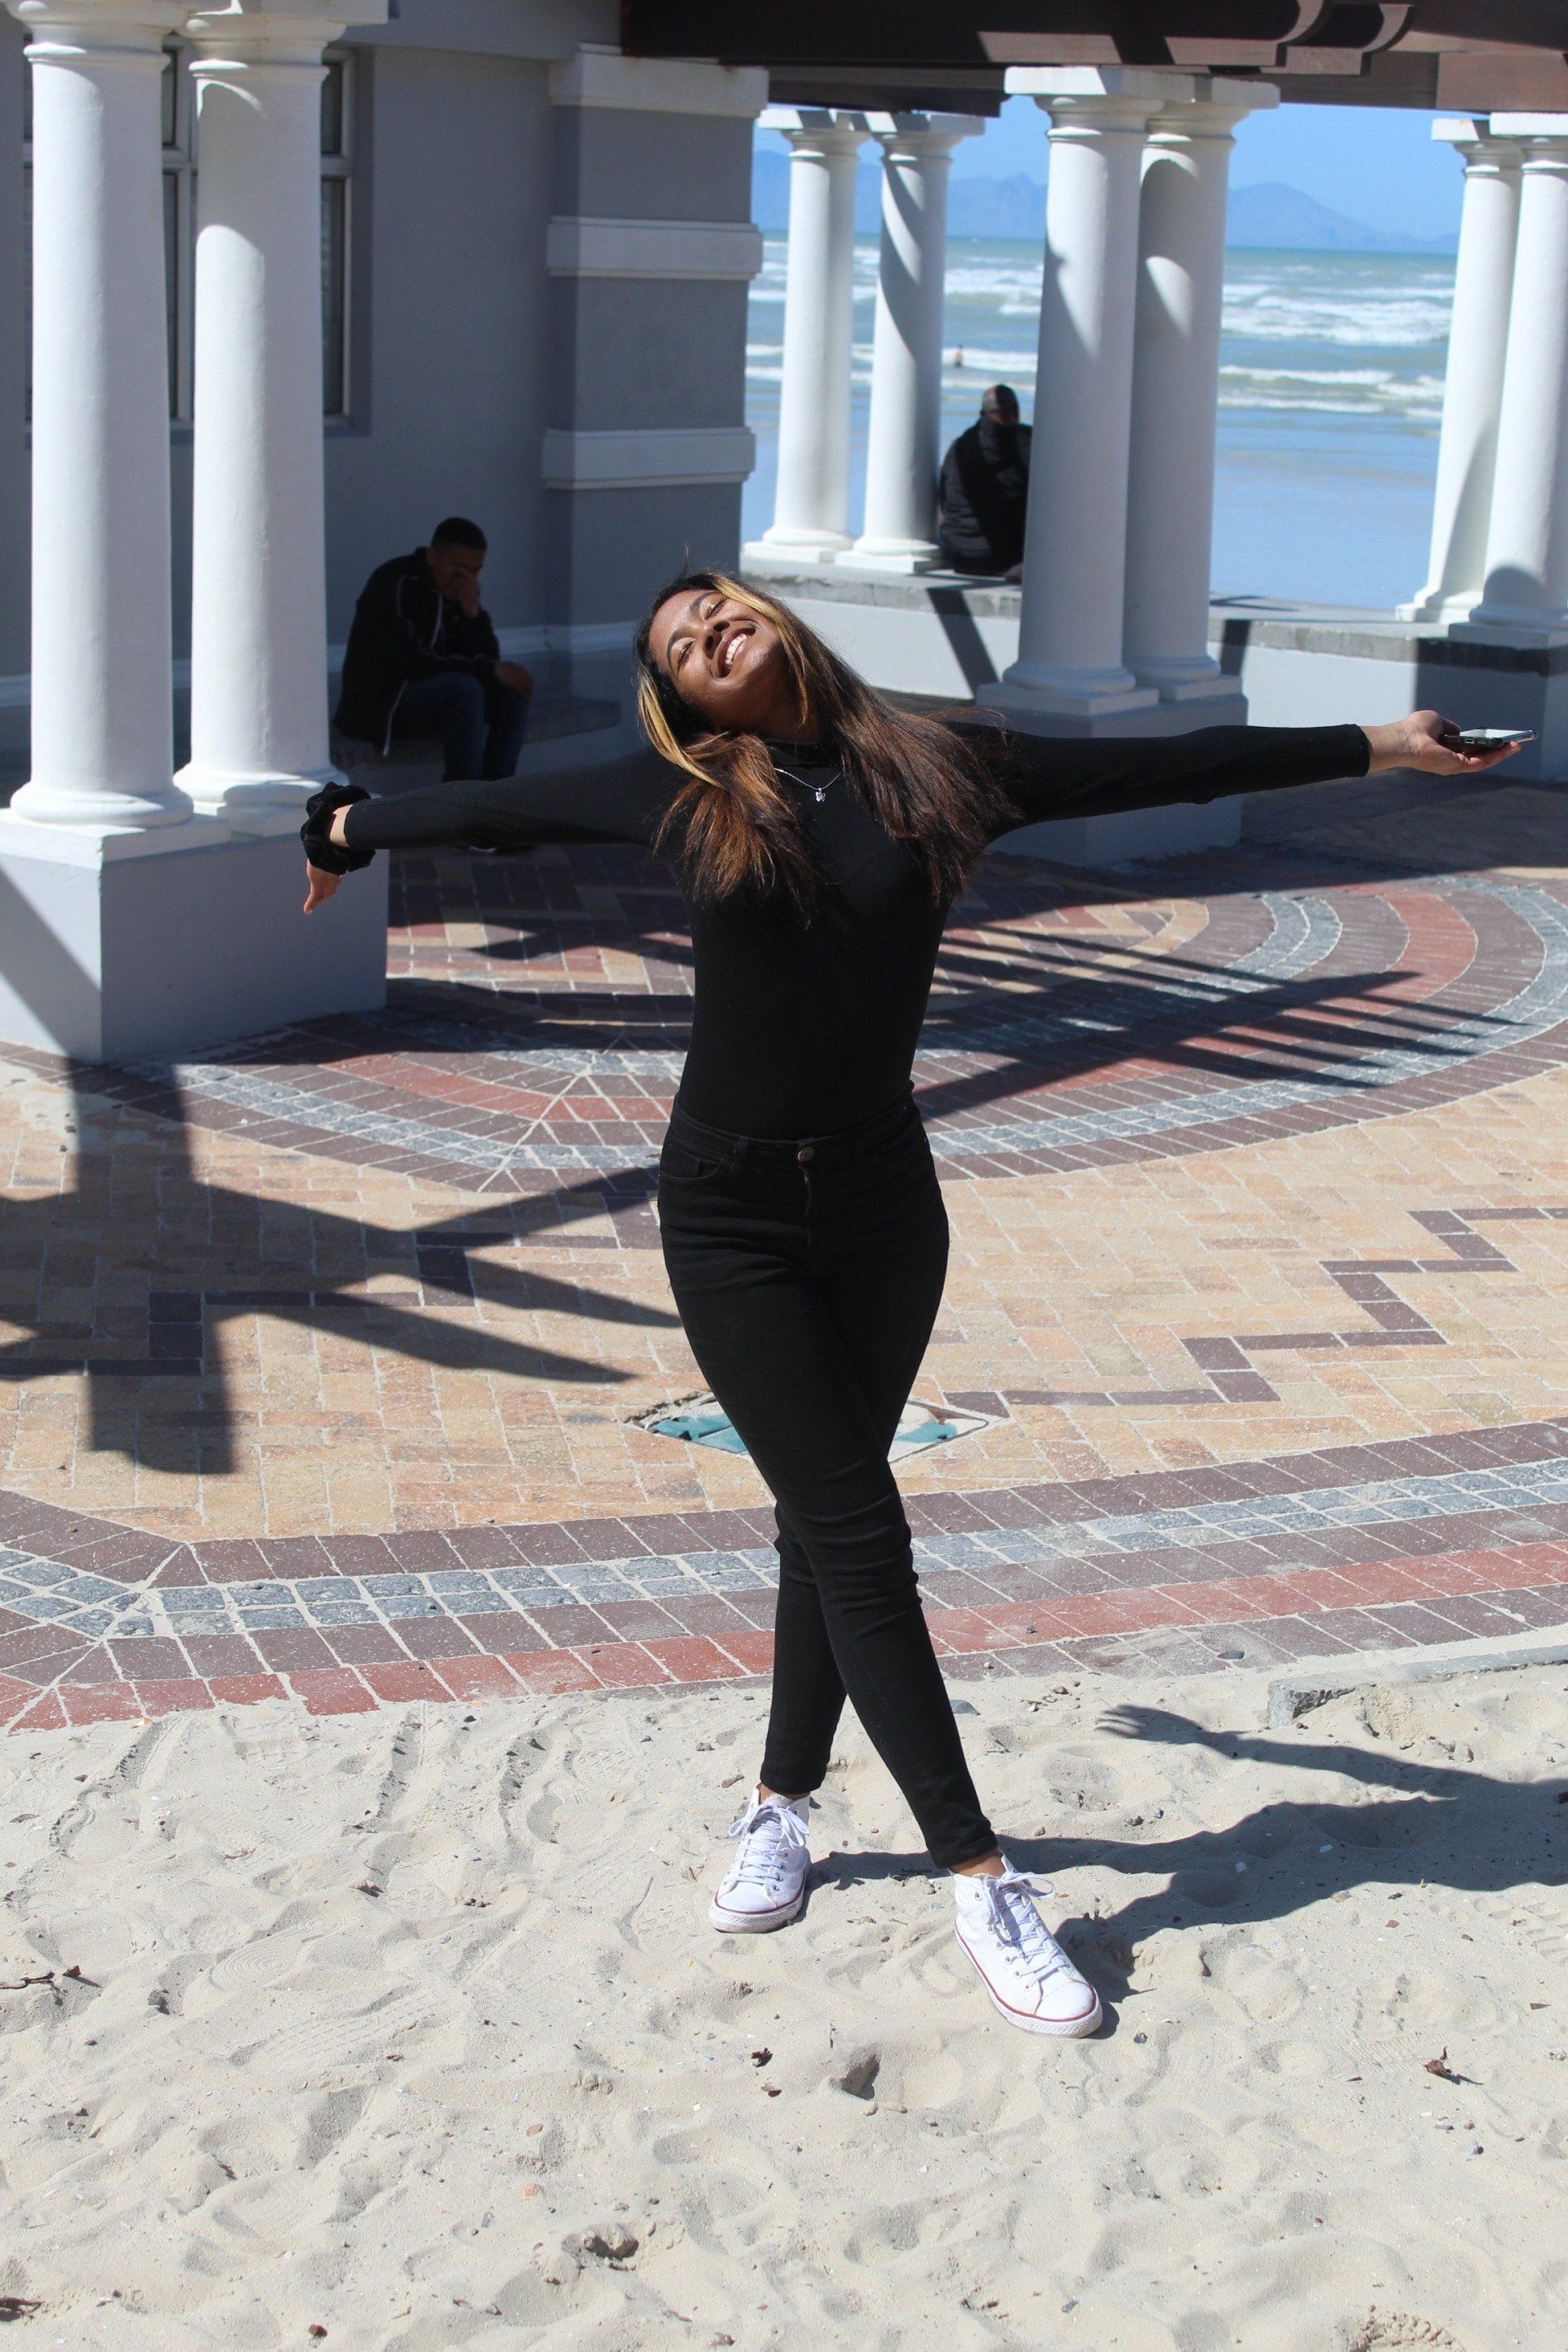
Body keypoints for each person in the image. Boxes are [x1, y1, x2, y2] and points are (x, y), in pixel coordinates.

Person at [300, 573, 1517, 2038]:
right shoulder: (678, 794)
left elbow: (1173, 764)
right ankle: (980, 1872)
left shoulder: (945, 762)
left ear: (775, 626)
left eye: (719, 614)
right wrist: (345, 826)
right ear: (682, 701)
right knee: (861, 1528)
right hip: (732, 1214)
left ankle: (780, 1804)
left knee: (831, 1512)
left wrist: (1381, 743)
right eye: (682, 649)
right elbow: (500, 812)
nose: (708, 638)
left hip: (884, 1206)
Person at [333, 516, 534, 782]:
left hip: (433, 699)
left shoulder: (460, 594)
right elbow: (411, 662)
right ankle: (463, 794)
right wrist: (489, 669)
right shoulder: (395, 582)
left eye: (475, 571)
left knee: (511, 692)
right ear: (431, 557)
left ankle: (495, 793)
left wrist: (473, 615)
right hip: (382, 706)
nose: (465, 579)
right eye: (458, 568)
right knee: (464, 689)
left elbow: (485, 659)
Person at [938, 385, 1032, 577]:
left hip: (958, 553)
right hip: (1000, 556)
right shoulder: (1025, 442)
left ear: (982, 413)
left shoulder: (960, 445)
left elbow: (944, 497)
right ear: (1016, 412)